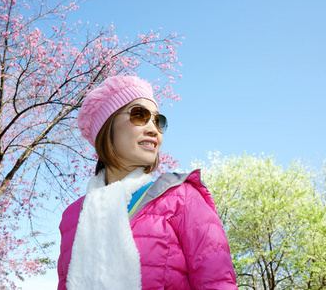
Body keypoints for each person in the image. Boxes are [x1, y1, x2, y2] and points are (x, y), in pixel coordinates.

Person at [57, 75, 238, 290]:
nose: (154, 129)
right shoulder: (73, 216)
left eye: (158, 121)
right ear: (106, 127)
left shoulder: (182, 198)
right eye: (139, 115)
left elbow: (217, 283)